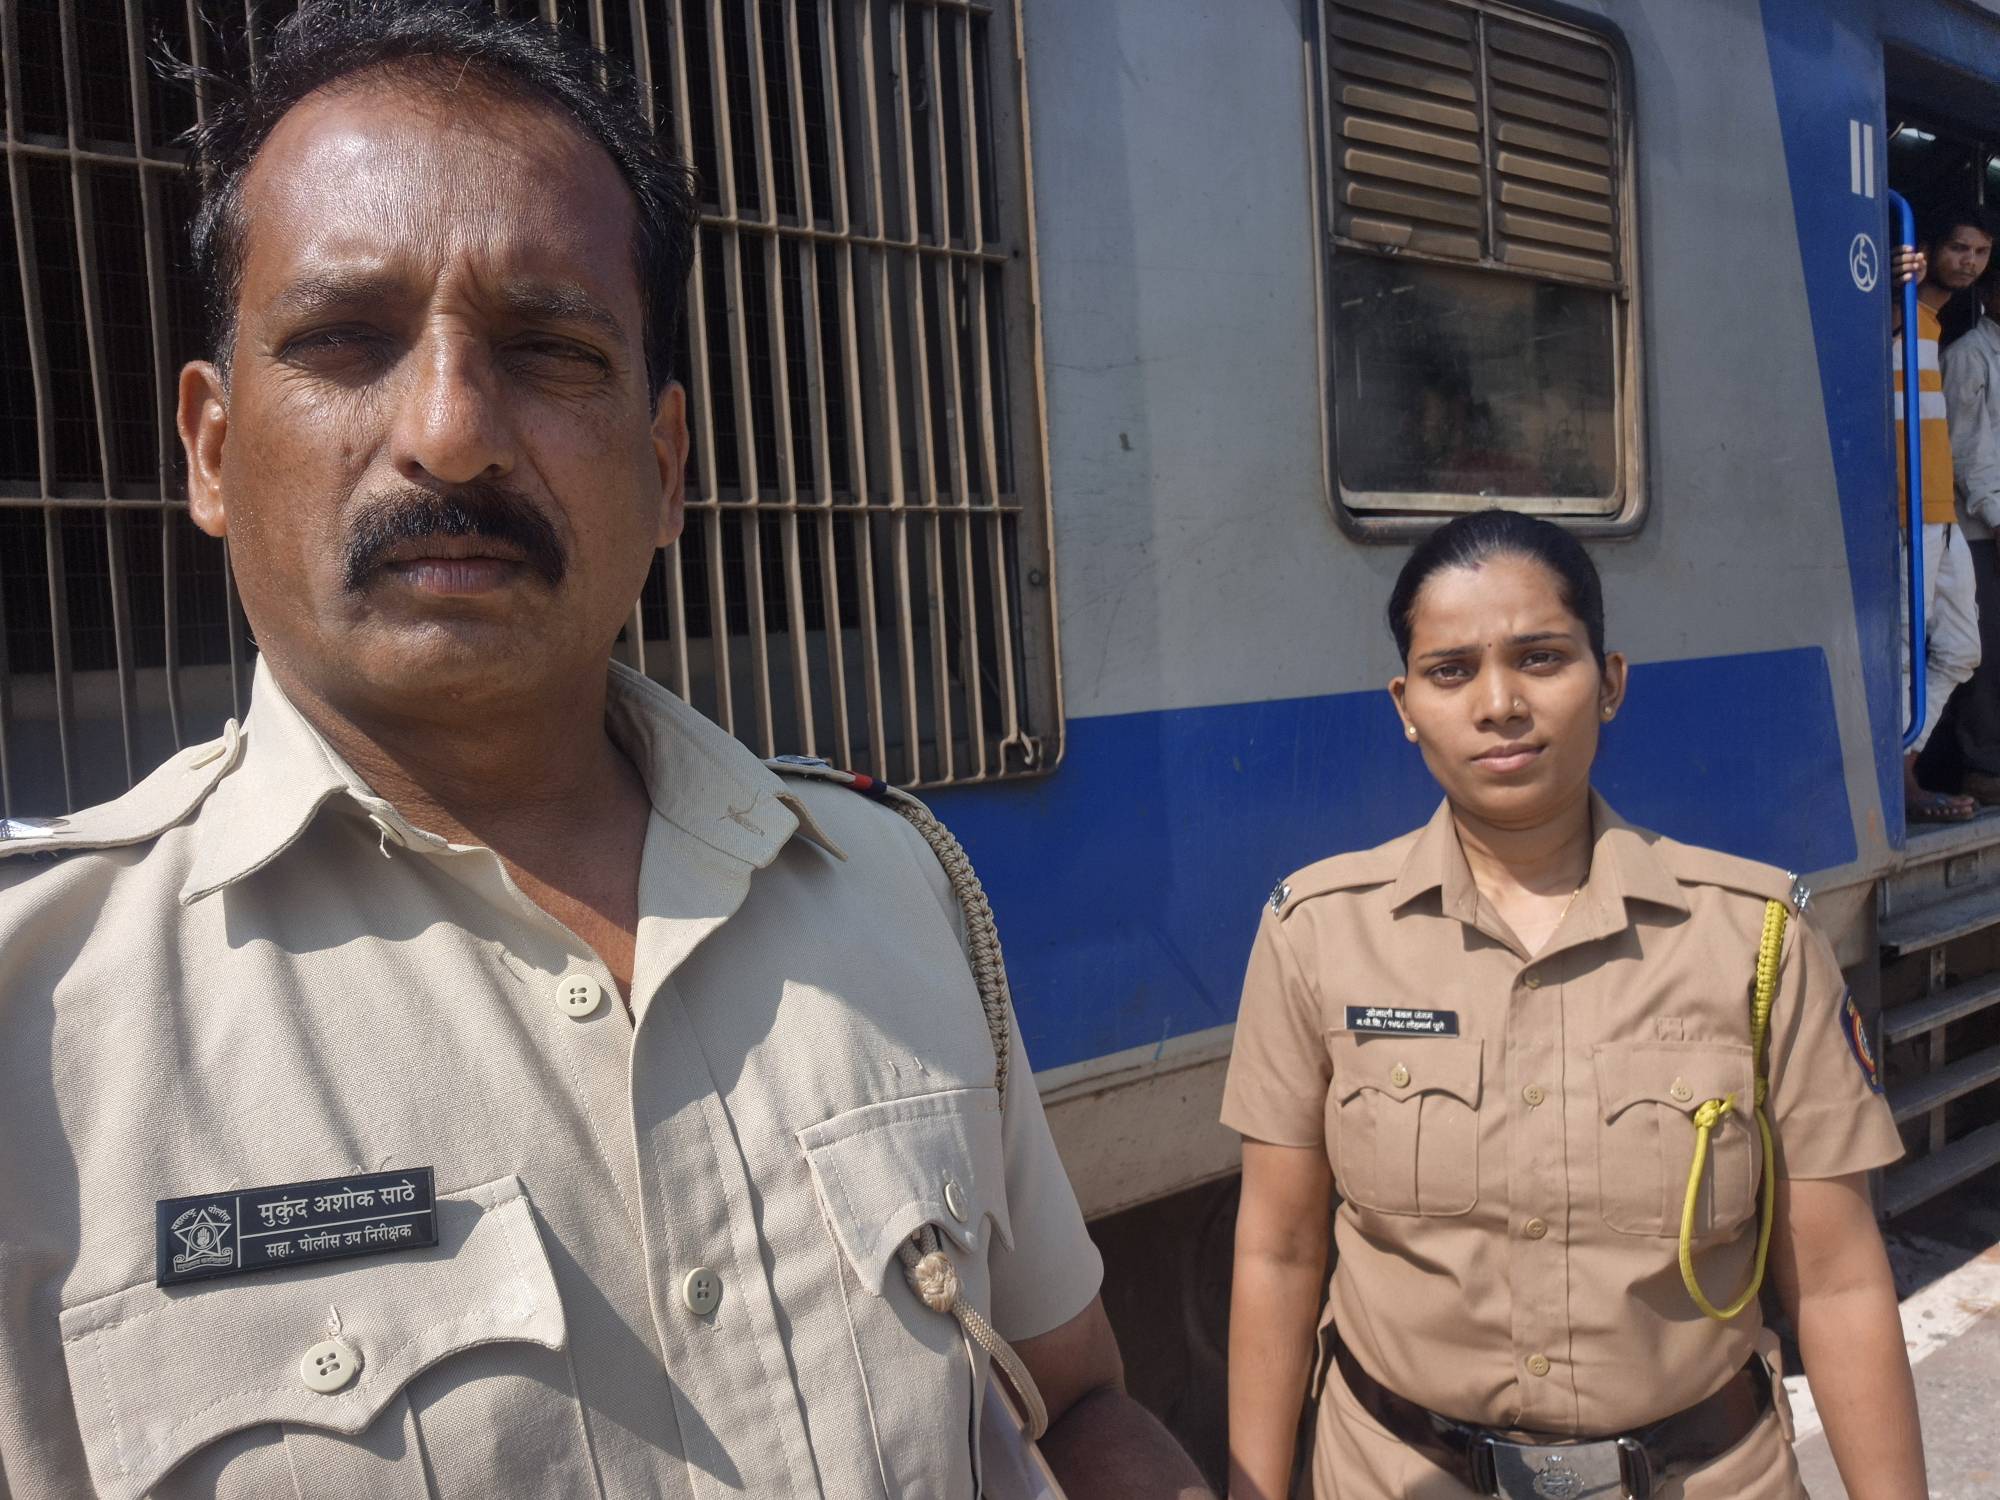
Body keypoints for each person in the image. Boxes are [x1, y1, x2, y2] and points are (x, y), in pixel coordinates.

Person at [0, 5, 1210, 1498]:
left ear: (664, 464)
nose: (452, 432)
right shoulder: (38, 1023)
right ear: (209, 446)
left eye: (550, 350)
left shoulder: (897, 891)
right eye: (344, 340)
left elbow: (1073, 1405)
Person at [1221, 510, 1923, 1500]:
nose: (1498, 703)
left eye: (1540, 658)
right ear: (1405, 705)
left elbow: (1840, 1281)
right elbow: (1279, 1253)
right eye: (1450, 671)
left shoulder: (1754, 940)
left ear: (1610, 682)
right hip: (1394, 1474)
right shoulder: (1317, 935)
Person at [1897, 208, 1993, 821]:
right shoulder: (1899, 315)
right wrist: (1895, 285)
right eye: (1959, 248)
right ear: (1926, 248)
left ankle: (1902, 757)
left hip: (1941, 513)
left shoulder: (1930, 324)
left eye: (1980, 253)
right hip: (1907, 513)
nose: (1969, 263)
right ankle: (1900, 781)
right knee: (1906, 650)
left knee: (1960, 649)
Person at [1935, 269, 2000, 803]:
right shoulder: (1968, 356)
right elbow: (1964, 451)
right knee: (1986, 650)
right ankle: (1982, 766)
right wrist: (1997, 518)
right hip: (1983, 529)